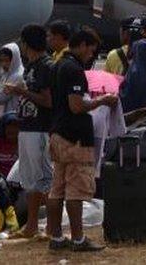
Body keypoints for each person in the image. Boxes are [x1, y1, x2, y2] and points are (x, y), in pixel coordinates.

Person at [46, 28, 117, 252]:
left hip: (57, 133)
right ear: (83, 45)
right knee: (75, 190)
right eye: (91, 51)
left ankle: (56, 237)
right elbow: (77, 106)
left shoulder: (57, 65)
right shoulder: (74, 69)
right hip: (75, 138)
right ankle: (78, 239)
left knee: (56, 189)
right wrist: (102, 100)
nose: (91, 56)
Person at [5, 24, 54, 240]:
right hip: (27, 128)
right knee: (29, 179)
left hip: (40, 129)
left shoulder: (46, 66)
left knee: (44, 179)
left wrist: (20, 91)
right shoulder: (32, 65)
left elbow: (47, 100)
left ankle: (52, 227)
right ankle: (32, 225)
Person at [0, 43, 24, 124]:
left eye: (7, 60)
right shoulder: (4, 75)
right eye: (1, 60)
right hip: (5, 118)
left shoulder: (18, 76)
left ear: (14, 59)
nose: (4, 64)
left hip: (15, 119)